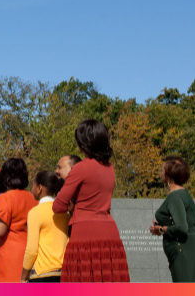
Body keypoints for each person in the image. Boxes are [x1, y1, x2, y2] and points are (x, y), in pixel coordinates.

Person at [53, 120, 130, 282]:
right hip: (110, 233)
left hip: (85, 233)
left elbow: (58, 206)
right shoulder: (110, 168)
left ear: (84, 143)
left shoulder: (80, 168)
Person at [150, 156, 195, 283]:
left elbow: (181, 227)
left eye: (162, 170)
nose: (161, 172)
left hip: (184, 251)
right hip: (191, 248)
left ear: (169, 175)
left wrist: (161, 229)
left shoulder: (175, 196)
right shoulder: (184, 194)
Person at [0, 158, 38, 282]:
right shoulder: (33, 198)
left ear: (5, 177)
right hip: (30, 258)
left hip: (9, 260)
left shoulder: (5, 199)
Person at [21, 171, 69, 283]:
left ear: (39, 188)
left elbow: (31, 249)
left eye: (33, 185)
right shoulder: (65, 213)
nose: (31, 189)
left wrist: (23, 276)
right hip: (63, 273)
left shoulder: (35, 213)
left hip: (42, 274)